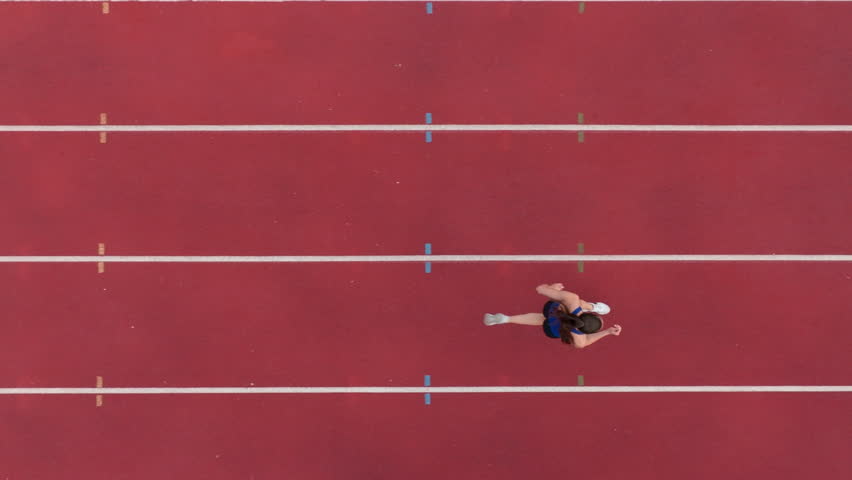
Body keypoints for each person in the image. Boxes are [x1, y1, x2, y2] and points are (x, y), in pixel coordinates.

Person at [484, 283, 622, 348]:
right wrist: (608, 332)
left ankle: (592, 306)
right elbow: (586, 341)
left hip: (554, 310)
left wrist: (552, 288)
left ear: (588, 315)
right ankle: (507, 319)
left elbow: (539, 288)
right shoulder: (579, 338)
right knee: (546, 320)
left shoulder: (573, 300)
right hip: (553, 329)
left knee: (578, 302)